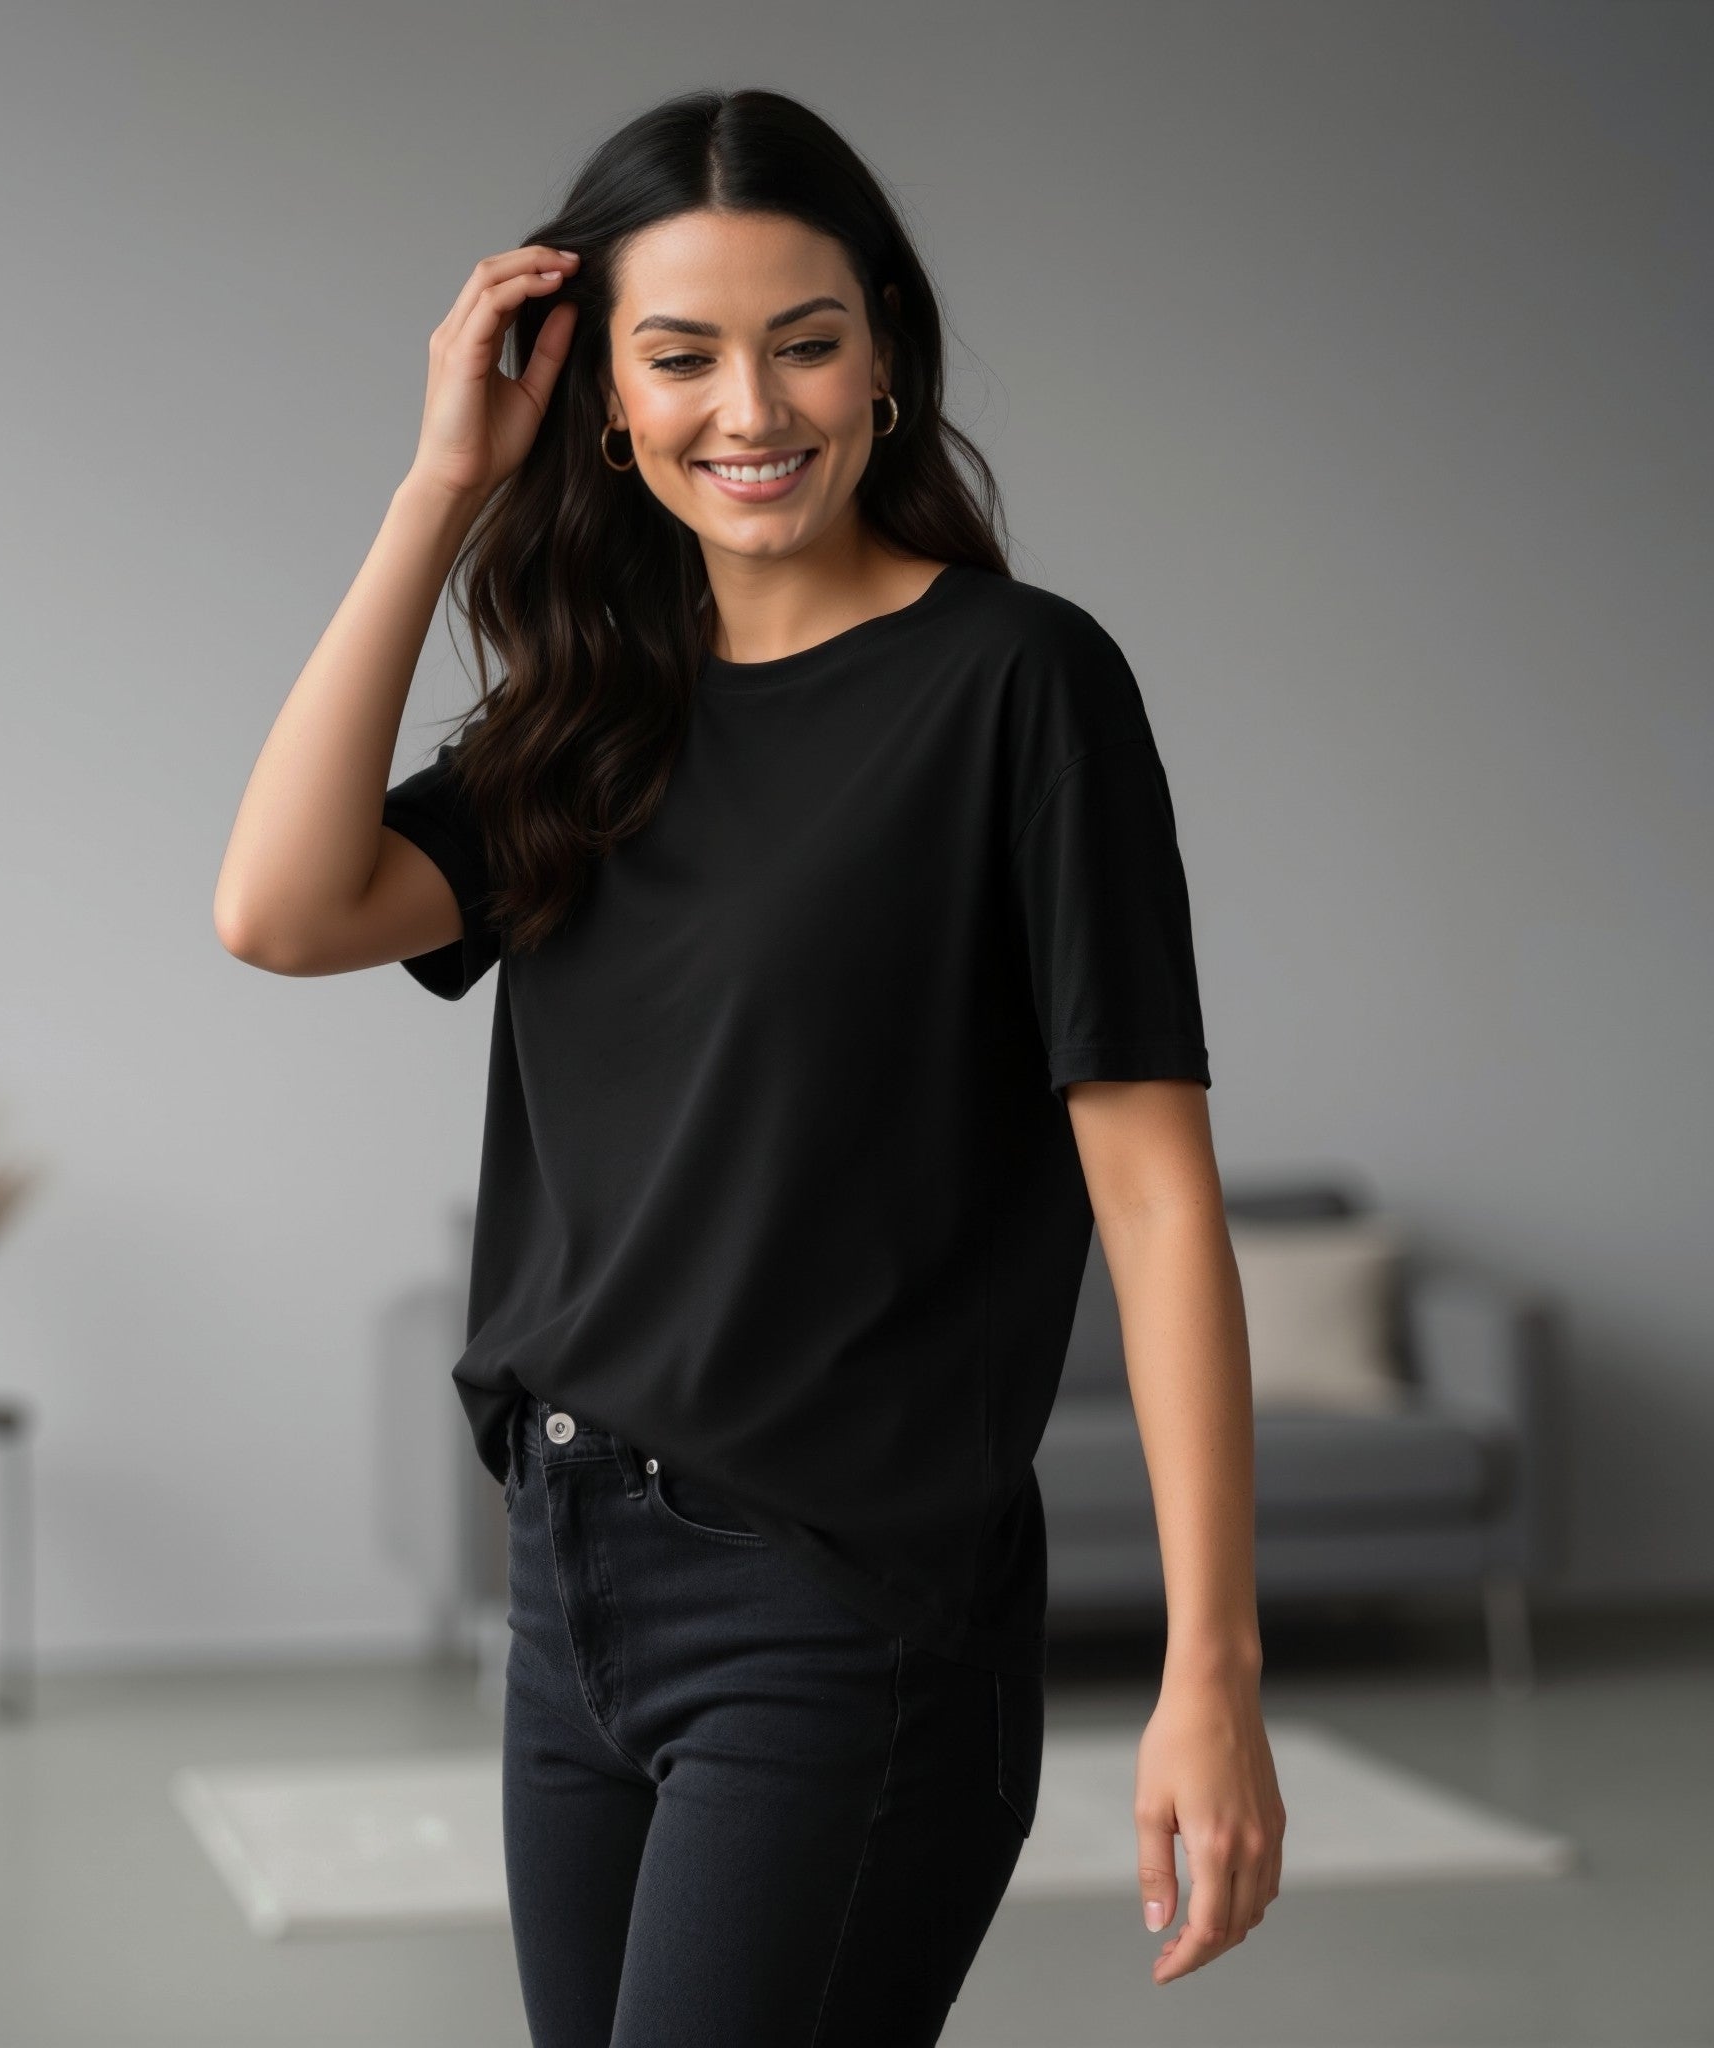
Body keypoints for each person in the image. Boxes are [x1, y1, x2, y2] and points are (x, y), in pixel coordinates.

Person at [215, 85, 1283, 2048]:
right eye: (680, 354)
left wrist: (1208, 1666)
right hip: (568, 1582)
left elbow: (1152, 1191)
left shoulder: (1020, 686)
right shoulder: (587, 719)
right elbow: (276, 907)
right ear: (604, 399)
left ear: (883, 355)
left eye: (802, 341)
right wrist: (438, 485)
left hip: (841, 1598)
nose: (750, 407)